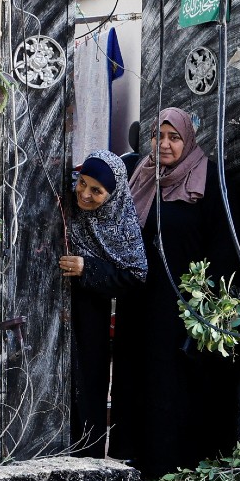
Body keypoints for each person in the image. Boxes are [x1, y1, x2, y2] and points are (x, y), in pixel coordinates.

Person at [114, 107, 240, 479]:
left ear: (188, 140)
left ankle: (173, 466)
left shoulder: (210, 182)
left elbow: (226, 246)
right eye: (159, 136)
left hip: (183, 305)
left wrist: (205, 303)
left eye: (174, 137)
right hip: (139, 299)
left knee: (173, 381)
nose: (165, 145)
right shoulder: (138, 176)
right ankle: (135, 462)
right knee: (136, 375)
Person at [58, 152, 146, 457]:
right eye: (82, 183)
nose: (84, 194)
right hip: (50, 311)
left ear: (113, 194)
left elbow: (135, 275)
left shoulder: (121, 222)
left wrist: (89, 268)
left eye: (96, 190)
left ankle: (85, 459)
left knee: (87, 385)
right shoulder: (62, 202)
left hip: (89, 316)